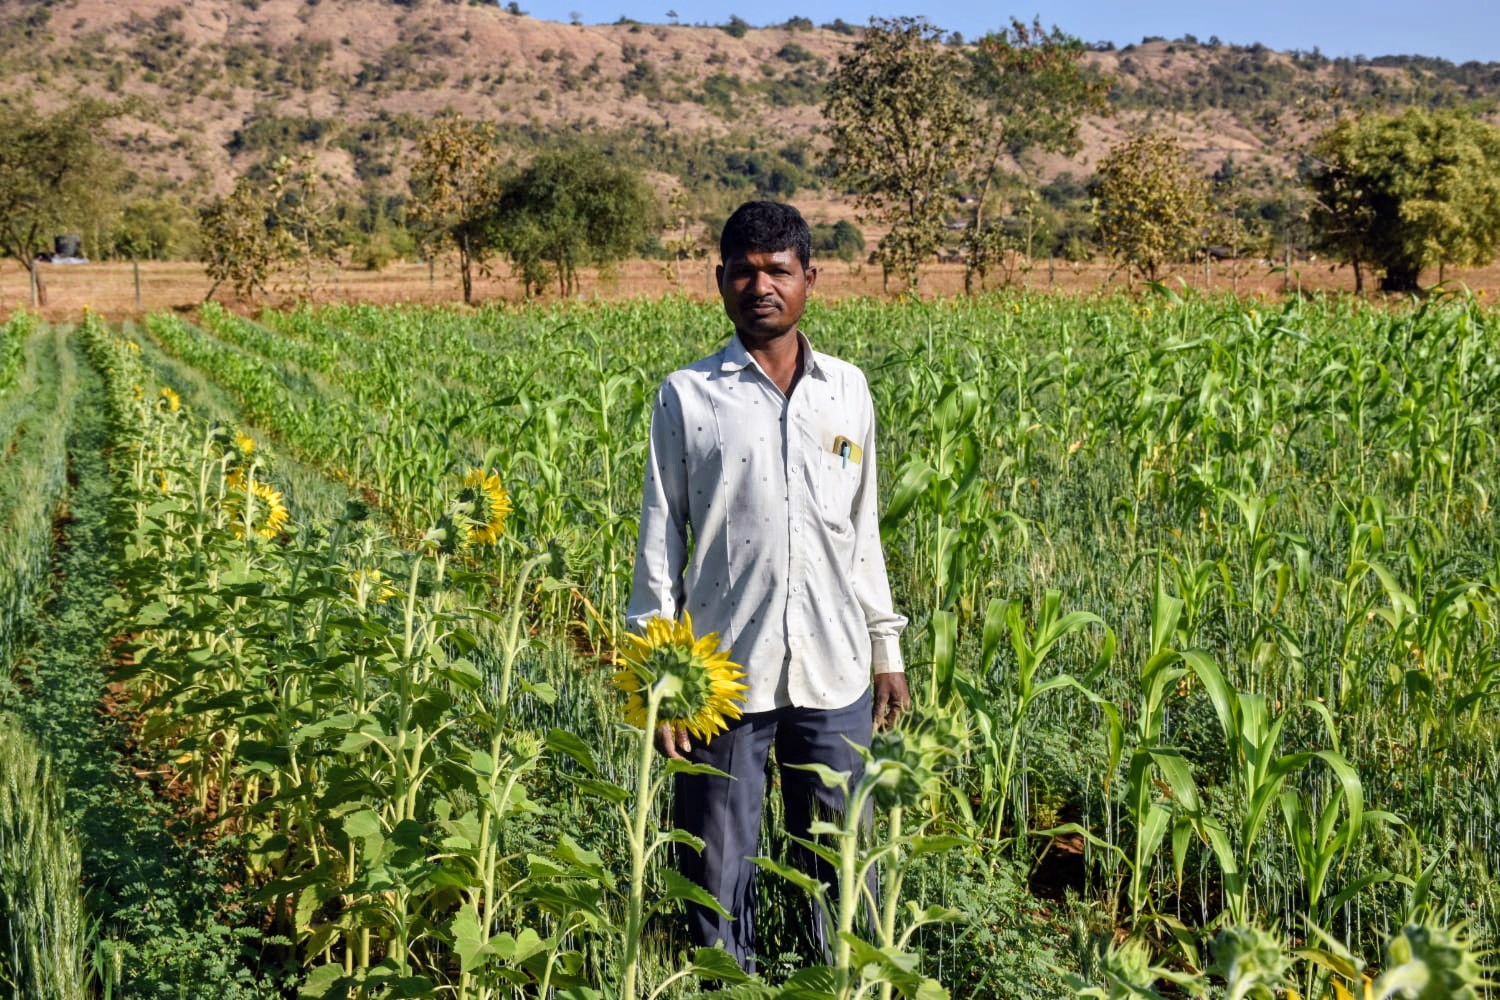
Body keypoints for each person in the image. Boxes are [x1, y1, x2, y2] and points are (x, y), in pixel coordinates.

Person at [627, 200, 910, 972]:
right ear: (718, 281)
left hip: (835, 666)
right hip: (723, 677)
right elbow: (660, 543)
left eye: (778, 270)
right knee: (718, 877)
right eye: (744, 272)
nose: (761, 286)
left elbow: (863, 531)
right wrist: (661, 677)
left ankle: (840, 986)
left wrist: (886, 647)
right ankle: (730, 987)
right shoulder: (687, 397)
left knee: (843, 870)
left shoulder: (847, 391)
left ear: (809, 279)